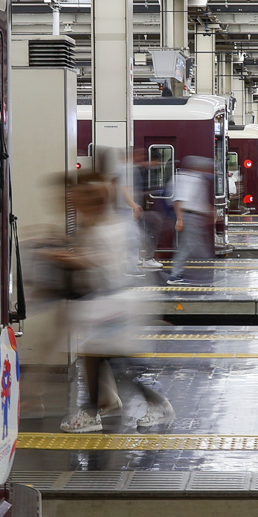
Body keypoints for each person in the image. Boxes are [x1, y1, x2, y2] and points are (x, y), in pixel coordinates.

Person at [55, 172, 175, 432]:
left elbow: (105, 266)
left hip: (115, 305)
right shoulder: (100, 225)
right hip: (107, 304)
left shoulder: (111, 228)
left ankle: (154, 404)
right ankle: (98, 409)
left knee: (121, 361)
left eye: (78, 200)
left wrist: (67, 258)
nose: (73, 204)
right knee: (103, 358)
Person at [168, 155, 213, 284]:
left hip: (194, 217)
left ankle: (178, 273)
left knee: (188, 245)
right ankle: (175, 275)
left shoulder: (193, 178)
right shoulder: (188, 179)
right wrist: (180, 219)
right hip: (189, 216)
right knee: (188, 247)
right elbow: (179, 200)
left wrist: (209, 212)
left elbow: (198, 200)